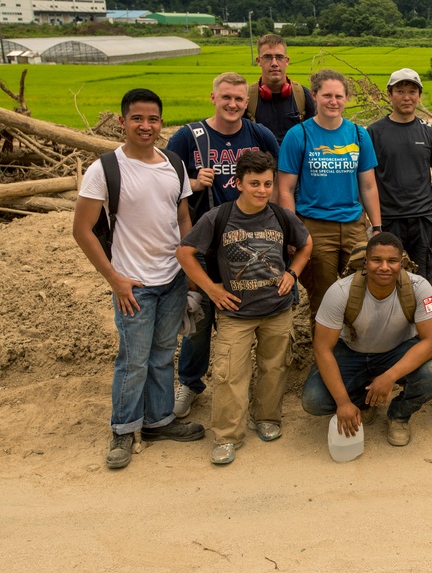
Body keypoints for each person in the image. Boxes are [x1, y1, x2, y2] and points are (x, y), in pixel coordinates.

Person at [73, 88, 204, 469]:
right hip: (133, 283)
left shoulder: (174, 164)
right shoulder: (105, 169)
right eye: (137, 119)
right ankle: (123, 430)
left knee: (164, 355)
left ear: (162, 123)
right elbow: (82, 230)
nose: (146, 126)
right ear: (122, 122)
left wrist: (189, 269)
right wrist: (114, 278)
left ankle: (158, 422)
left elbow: (182, 219)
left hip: (172, 278)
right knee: (133, 359)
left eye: (153, 119)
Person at [177, 151, 312, 465]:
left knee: (274, 367)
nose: (262, 190)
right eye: (254, 183)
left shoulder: (281, 216)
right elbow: (185, 252)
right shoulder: (218, 217)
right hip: (235, 314)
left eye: (267, 183)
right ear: (237, 183)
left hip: (277, 310)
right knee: (229, 375)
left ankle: (267, 417)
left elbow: (306, 244)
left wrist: (293, 273)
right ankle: (227, 436)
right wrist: (211, 289)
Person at [166, 72, 281, 420]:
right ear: (213, 97)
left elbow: (277, 180)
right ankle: (190, 381)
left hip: (252, 241)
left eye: (239, 99)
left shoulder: (258, 135)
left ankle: (247, 384)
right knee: (200, 316)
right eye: (226, 97)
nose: (232, 104)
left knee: (251, 311)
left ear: (247, 103)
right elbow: (163, 184)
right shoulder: (189, 137)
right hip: (205, 241)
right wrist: (192, 183)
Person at [301, 232, 432, 447]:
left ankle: (399, 415)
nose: (384, 267)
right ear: (366, 263)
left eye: (392, 261)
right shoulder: (340, 292)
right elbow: (322, 349)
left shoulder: (419, 287)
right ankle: (365, 401)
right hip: (351, 352)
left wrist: (389, 377)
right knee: (314, 400)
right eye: (377, 260)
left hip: (396, 351)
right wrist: (343, 403)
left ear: (402, 263)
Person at [276, 69, 382, 321]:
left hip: (354, 226)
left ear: (346, 98)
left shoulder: (358, 134)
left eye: (339, 96)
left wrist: (376, 227)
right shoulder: (298, 135)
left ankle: (355, 353)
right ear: (314, 96)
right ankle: (324, 358)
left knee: (361, 293)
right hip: (315, 228)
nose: (333, 101)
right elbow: (285, 190)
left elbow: (368, 186)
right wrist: (292, 232)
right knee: (323, 301)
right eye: (326, 95)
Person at [368, 68, 432, 285]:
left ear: (419, 96)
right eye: (400, 91)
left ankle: (422, 318)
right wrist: (369, 219)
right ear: (389, 94)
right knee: (388, 276)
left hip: (422, 219)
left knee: (425, 278)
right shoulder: (374, 132)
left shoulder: (431, 132)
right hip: (388, 219)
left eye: (412, 91)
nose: (406, 97)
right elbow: (366, 179)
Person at [246, 33, 316, 146]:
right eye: (267, 57)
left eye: (279, 57)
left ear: (287, 61)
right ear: (258, 61)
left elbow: (314, 136)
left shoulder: (303, 96)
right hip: (260, 162)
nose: (274, 63)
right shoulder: (247, 98)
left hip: (294, 162)